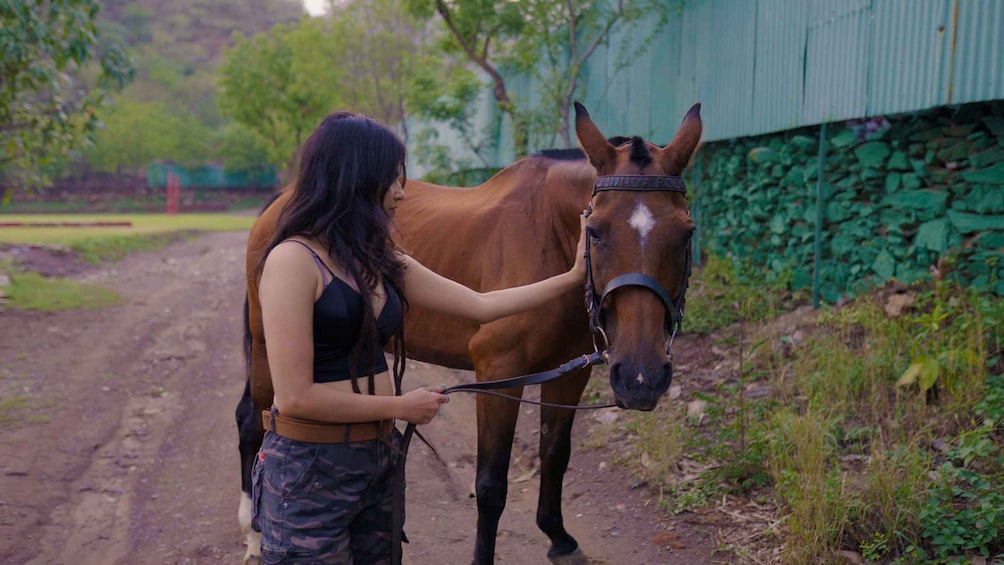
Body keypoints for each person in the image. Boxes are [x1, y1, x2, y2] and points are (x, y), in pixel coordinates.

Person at [251, 110, 587, 564]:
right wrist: (400, 407)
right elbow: (293, 398)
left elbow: (481, 304)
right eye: (390, 179)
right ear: (353, 178)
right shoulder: (292, 262)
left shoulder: (378, 257)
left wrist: (574, 275)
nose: (401, 192)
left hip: (375, 459)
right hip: (310, 465)